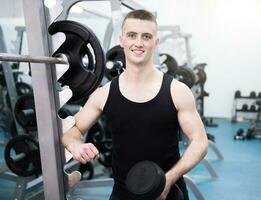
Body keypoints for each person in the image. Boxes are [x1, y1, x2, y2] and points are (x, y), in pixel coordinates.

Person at [62, 9, 208, 200]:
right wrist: (76, 146)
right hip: (123, 194)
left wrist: (169, 179)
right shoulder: (104, 94)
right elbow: (71, 131)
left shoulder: (177, 91)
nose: (138, 43)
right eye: (132, 35)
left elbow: (200, 141)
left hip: (169, 193)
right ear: (121, 40)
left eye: (146, 37)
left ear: (156, 42)